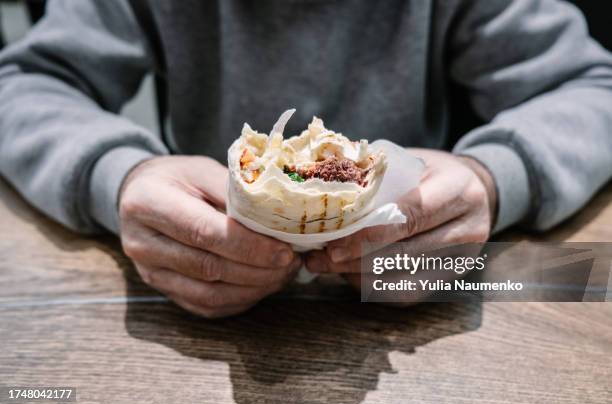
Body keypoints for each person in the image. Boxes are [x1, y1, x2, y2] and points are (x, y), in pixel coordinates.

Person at [0, 0, 611, 317]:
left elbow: (593, 88)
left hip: (429, 291)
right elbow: (23, 84)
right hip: (195, 300)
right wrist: (121, 175)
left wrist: (490, 179)